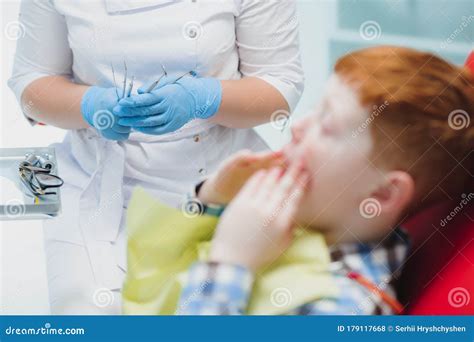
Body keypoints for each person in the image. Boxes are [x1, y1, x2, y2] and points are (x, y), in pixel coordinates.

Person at [7, 0, 304, 314]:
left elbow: (281, 85)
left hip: (220, 180)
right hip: (94, 187)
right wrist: (90, 105)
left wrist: (205, 98)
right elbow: (31, 81)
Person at [163, 46, 472, 314]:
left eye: (327, 124)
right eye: (314, 109)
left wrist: (229, 264)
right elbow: (158, 270)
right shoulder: (315, 223)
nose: (297, 127)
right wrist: (212, 197)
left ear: (381, 195)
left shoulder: (347, 307)